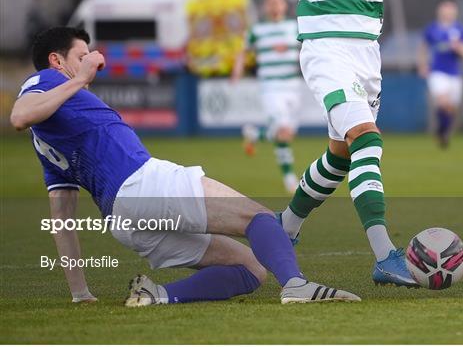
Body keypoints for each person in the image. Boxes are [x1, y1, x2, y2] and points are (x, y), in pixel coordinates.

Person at [176, 0, 463, 287]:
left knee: (339, 156)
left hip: (365, 53)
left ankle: (285, 228)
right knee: (365, 138)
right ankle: (384, 254)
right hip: (324, 49)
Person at [10, 27, 360, 306]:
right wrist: (79, 79)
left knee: (250, 268)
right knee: (259, 218)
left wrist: (80, 292)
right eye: (82, 55)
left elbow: (62, 221)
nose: (91, 62)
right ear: (56, 60)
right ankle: (297, 285)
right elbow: (20, 115)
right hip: (142, 184)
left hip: (123, 220)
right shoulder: (47, 81)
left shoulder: (50, 139)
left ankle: (158, 296)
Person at [232, 0, 301, 193]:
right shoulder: (257, 30)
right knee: (283, 131)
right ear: (265, 6)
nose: (274, 6)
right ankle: (289, 177)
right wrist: (237, 71)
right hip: (271, 87)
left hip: (293, 87)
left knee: (287, 134)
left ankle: (255, 134)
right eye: (270, 2)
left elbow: (308, 47)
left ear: (284, 5)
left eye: (277, 2)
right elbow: (242, 52)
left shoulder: (294, 27)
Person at [418, 0, 463, 147]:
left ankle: (443, 132)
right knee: (443, 102)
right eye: (445, 11)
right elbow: (423, 48)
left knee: (452, 108)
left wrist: (458, 48)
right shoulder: (432, 29)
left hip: (454, 73)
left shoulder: (460, 30)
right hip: (437, 72)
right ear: (440, 12)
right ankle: (442, 134)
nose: (448, 14)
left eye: (450, 11)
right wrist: (422, 65)